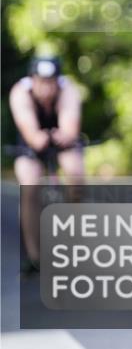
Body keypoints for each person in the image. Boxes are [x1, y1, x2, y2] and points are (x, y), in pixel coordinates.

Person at [9, 55, 85, 272]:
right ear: (32, 79)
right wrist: (38, 138)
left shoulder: (68, 90)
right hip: (31, 144)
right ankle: (35, 256)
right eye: (41, 81)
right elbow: (30, 131)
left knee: (75, 173)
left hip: (62, 139)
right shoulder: (20, 92)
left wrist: (63, 135)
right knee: (29, 185)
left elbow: (70, 127)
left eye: (50, 81)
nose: (46, 87)